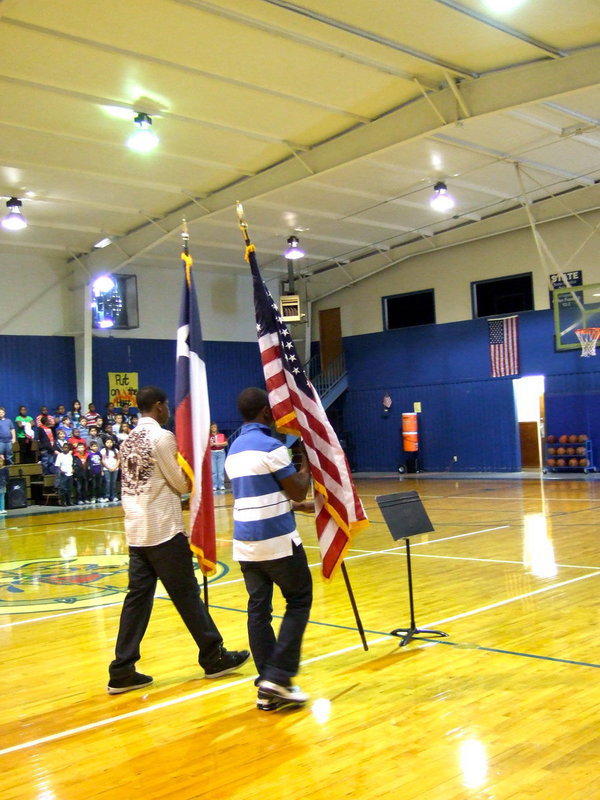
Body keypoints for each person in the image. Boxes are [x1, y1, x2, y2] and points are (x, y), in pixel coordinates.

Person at [107, 385, 249, 695]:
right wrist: (196, 464)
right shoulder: (162, 437)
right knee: (187, 595)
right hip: (163, 531)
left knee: (137, 601)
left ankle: (121, 669)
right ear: (159, 406)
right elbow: (181, 483)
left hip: (137, 532)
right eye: (167, 406)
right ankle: (214, 656)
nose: (169, 410)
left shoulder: (127, 439)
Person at [225, 387, 313, 711]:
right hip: (275, 541)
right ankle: (279, 676)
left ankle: (266, 685)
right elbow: (297, 489)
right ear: (265, 411)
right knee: (299, 599)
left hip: (245, 543)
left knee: (258, 611)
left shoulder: (233, 450)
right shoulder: (272, 447)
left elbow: (259, 492)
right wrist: (307, 460)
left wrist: (296, 507)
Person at [210, 422, 227, 493]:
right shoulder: (209, 436)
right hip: (212, 453)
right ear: (210, 428)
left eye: (215, 427)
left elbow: (226, 443)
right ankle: (214, 485)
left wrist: (216, 443)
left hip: (221, 453)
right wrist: (210, 445)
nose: (213, 428)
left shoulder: (221, 435)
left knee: (220, 470)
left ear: (217, 428)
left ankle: (221, 485)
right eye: (212, 427)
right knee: (214, 471)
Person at [101, 437, 119, 502]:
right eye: (107, 442)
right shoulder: (103, 450)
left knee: (113, 482)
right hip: (106, 469)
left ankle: (113, 496)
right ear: (105, 443)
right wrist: (108, 467)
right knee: (107, 482)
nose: (109, 444)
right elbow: (102, 460)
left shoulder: (115, 450)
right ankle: (107, 496)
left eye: (111, 442)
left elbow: (118, 459)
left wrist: (115, 467)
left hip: (115, 468)